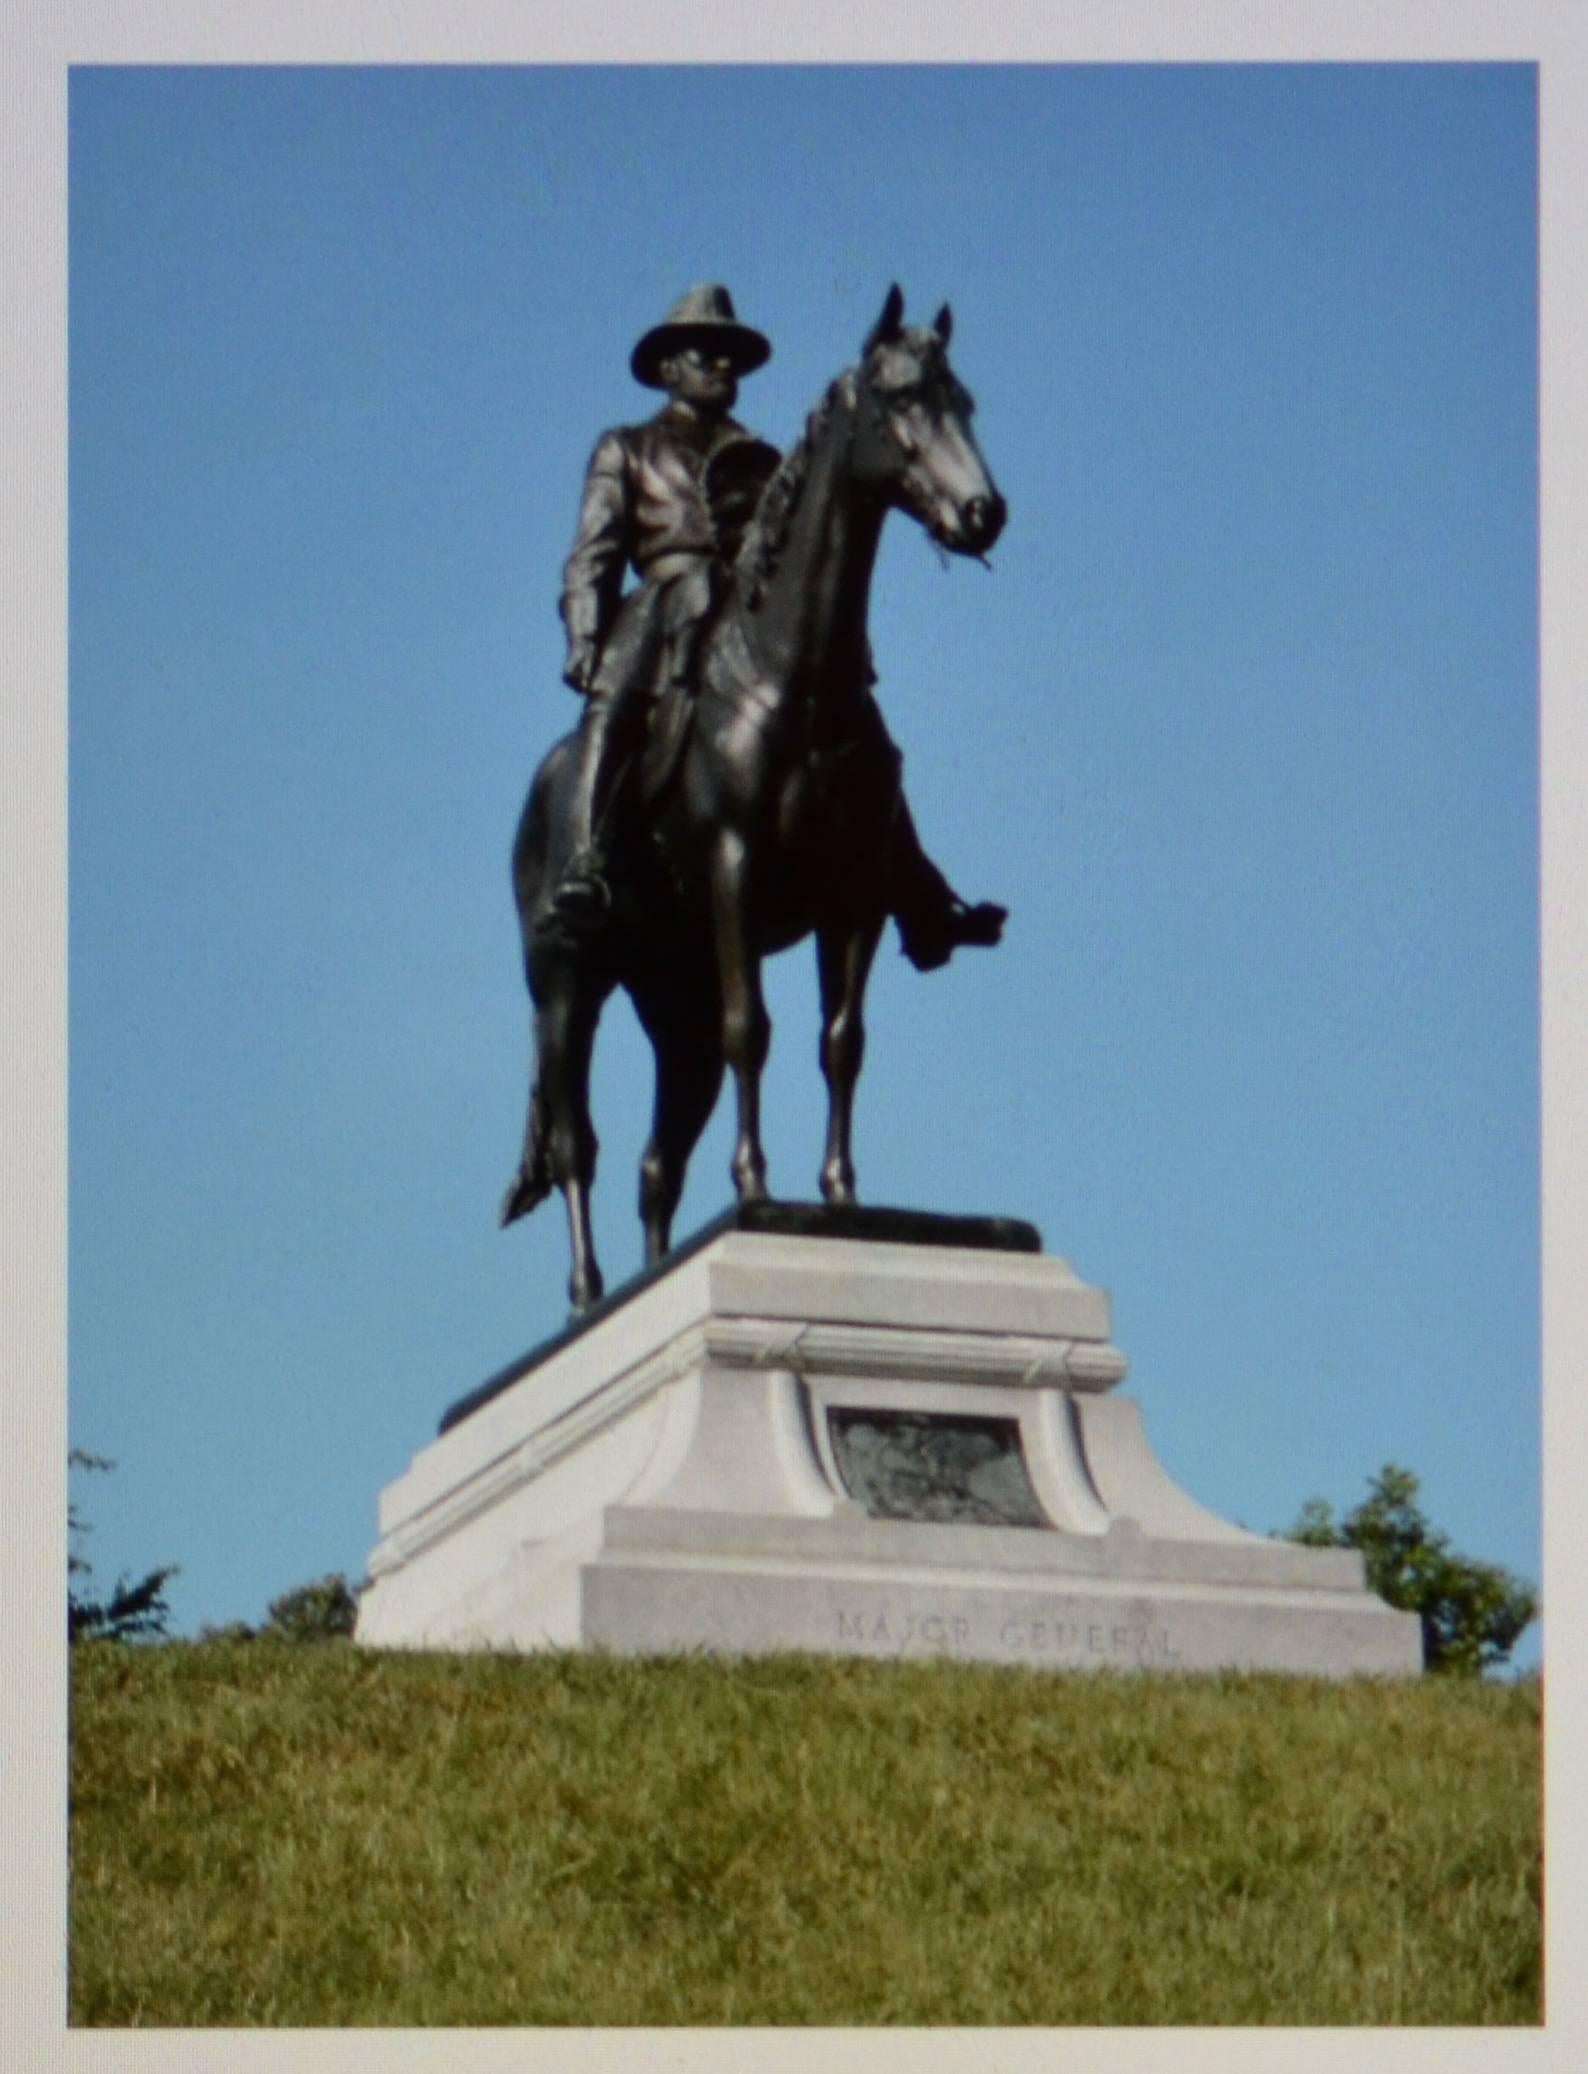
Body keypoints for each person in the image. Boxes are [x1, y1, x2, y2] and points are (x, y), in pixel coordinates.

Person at [550, 283, 1004, 969]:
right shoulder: (628, 447)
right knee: (614, 698)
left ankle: (920, 894)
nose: (723, 366)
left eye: (733, 355)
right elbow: (595, 552)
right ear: (670, 367)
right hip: (666, 600)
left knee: (860, 729)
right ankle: (584, 858)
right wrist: (585, 632)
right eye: (707, 352)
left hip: (744, 603)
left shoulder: (762, 457)